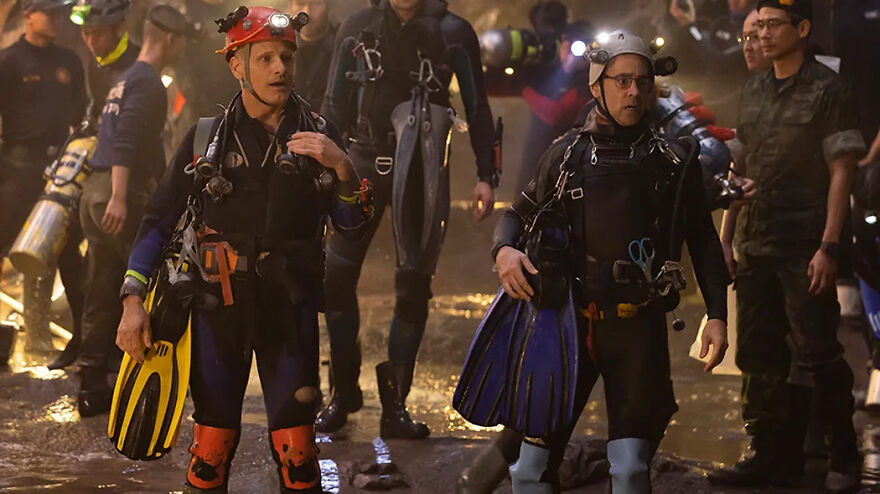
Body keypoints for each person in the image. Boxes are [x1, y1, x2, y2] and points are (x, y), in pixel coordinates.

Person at [454, 30, 729, 493]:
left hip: (637, 330)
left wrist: (718, 316)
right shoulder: (566, 156)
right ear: (596, 86)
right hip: (565, 329)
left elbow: (702, 240)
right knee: (529, 470)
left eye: (642, 82)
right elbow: (515, 216)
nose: (634, 92)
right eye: (621, 81)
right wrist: (504, 252)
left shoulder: (672, 162)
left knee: (629, 469)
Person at [116, 6, 371, 492]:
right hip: (218, 309)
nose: (280, 68)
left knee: (299, 455)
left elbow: (352, 228)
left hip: (289, 309)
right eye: (266, 58)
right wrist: (133, 299)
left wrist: (342, 168)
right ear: (236, 64)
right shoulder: (204, 138)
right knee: (209, 452)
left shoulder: (320, 137)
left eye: (287, 57)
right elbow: (156, 222)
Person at [317, 0, 498, 439]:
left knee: (414, 284)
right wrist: (319, 162)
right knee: (334, 278)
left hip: (422, 166)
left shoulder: (454, 32)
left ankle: (395, 407)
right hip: (359, 160)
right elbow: (333, 102)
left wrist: (486, 176)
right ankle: (343, 393)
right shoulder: (358, 27)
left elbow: (476, 105)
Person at [707, 0, 865, 492]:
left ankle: (843, 452)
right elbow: (742, 166)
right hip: (757, 241)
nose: (765, 34)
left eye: (775, 24)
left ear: (802, 29)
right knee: (758, 354)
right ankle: (768, 453)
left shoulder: (828, 89)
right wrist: (726, 238)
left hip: (805, 245)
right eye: (759, 26)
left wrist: (830, 246)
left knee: (817, 351)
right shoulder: (753, 89)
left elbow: (843, 171)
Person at [75, 3, 190, 417]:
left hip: (94, 192)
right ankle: (142, 380)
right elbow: (124, 141)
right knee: (142, 285)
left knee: (102, 282)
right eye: (182, 44)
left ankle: (92, 380)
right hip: (117, 192)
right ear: (172, 40)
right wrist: (122, 197)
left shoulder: (124, 79)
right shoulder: (146, 83)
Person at [0, 0, 88, 365]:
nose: (55, 19)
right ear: (28, 16)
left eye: (58, 13)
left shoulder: (68, 61)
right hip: (18, 167)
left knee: (67, 253)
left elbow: (83, 116)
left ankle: (82, 341)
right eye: (48, 13)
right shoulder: (8, 61)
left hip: (59, 171)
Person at [483, 16, 594, 195]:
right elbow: (490, 86)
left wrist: (524, 89)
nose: (572, 49)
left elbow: (555, 113)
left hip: (572, 164)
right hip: (536, 162)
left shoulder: (591, 83)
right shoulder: (547, 72)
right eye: (568, 41)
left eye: (579, 44)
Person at [72, 0, 141, 124]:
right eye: (86, 33)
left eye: (98, 34)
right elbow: (98, 102)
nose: (91, 42)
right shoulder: (96, 63)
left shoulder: (139, 65)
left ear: (119, 28)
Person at [289, 0, 336, 110]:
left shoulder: (342, 41)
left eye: (316, 3)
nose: (307, 12)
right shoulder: (281, 46)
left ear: (328, 6)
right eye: (300, 4)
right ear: (290, 6)